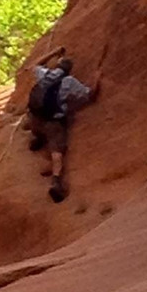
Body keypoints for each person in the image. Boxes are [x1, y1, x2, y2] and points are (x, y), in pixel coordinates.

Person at [27, 51, 98, 203]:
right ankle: (56, 181)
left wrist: (54, 52)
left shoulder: (45, 74)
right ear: (69, 70)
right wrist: (97, 78)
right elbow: (88, 95)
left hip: (35, 118)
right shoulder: (69, 82)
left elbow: (35, 65)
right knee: (57, 153)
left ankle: (38, 138)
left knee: (36, 121)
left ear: (57, 66)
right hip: (53, 123)